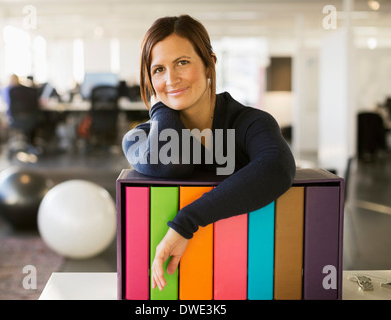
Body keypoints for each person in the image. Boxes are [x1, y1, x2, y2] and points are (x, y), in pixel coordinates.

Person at [122, 15, 296, 292]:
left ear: (209, 63)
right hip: (174, 284)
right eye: (158, 70)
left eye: (182, 62)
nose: (171, 79)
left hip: (253, 272)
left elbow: (276, 168)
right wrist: (162, 108)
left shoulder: (250, 122)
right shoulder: (139, 137)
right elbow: (171, 162)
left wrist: (185, 224)